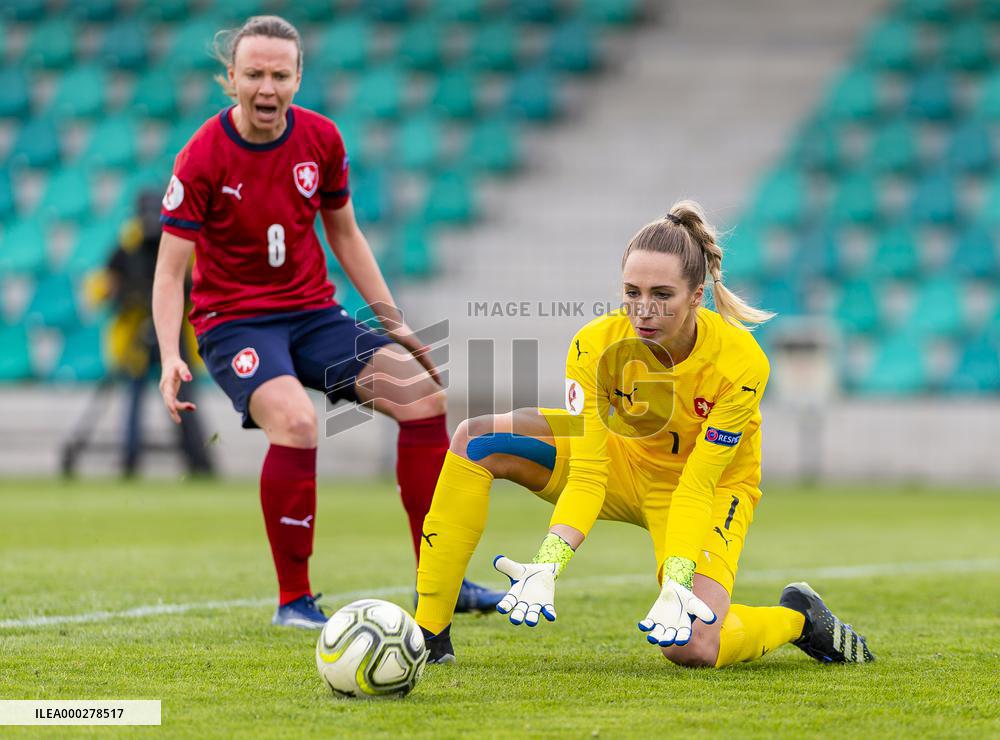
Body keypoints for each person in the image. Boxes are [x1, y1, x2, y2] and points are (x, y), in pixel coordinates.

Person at [152, 15, 502, 629]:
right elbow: (168, 271)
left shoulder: (321, 139)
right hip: (234, 323)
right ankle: (293, 601)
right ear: (231, 77)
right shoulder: (202, 155)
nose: (267, 87)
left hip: (313, 313)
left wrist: (394, 322)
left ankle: (441, 581)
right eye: (254, 74)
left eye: (279, 75)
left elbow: (345, 234)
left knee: (422, 396)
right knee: (297, 421)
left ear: (298, 77)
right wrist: (169, 354)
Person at [414, 200, 875, 667]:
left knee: (691, 646)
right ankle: (428, 637)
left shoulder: (741, 363)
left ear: (696, 296)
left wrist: (677, 580)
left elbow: (696, 486)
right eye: (632, 292)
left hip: (709, 489)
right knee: (477, 441)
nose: (644, 309)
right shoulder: (594, 346)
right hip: (621, 463)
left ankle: (797, 618)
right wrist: (548, 563)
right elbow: (589, 474)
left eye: (662, 294)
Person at [106, 190, 215, 478]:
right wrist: (128, 295)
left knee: (184, 395)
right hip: (138, 332)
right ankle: (129, 460)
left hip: (173, 332)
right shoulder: (127, 247)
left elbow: (196, 285)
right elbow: (107, 288)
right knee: (134, 396)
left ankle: (198, 461)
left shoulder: (180, 243)